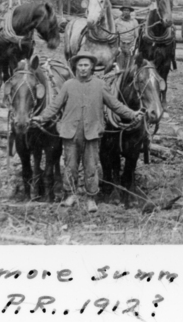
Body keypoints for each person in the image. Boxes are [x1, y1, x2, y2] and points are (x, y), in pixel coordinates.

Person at [39, 50, 142, 213]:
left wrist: (132, 114)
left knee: (91, 167)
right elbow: (55, 106)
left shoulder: (100, 85)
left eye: (86, 65)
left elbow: (115, 105)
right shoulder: (68, 85)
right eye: (80, 65)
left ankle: (91, 198)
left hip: (92, 133)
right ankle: (70, 195)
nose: (83, 68)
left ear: (92, 67)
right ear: (76, 67)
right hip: (70, 133)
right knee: (70, 166)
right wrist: (41, 118)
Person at [114, 5, 139, 70]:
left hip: (130, 46)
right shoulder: (117, 21)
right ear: (122, 11)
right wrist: (118, 47)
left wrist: (133, 46)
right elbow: (115, 35)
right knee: (120, 66)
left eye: (128, 10)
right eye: (124, 10)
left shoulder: (134, 22)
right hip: (121, 45)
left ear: (130, 12)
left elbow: (136, 36)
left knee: (129, 67)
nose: (126, 12)